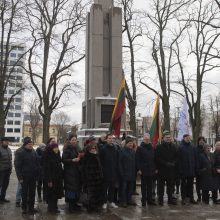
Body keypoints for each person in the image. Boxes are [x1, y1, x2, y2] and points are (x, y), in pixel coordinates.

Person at [14, 138, 40, 214]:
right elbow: (17, 166)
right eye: (29, 144)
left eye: (31, 144)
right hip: (24, 177)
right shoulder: (20, 153)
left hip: (33, 177)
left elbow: (37, 163)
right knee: (24, 193)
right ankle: (24, 208)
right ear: (25, 145)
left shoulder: (33, 152)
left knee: (32, 193)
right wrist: (20, 178)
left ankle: (31, 207)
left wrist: (38, 175)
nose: (30, 145)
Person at [155, 131, 178, 206]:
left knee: (170, 186)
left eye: (169, 137)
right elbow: (157, 158)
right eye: (166, 137)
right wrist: (165, 163)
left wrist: (174, 163)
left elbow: (176, 157)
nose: (168, 139)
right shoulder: (159, 147)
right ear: (163, 138)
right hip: (162, 169)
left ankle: (170, 200)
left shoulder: (174, 147)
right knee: (160, 186)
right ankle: (160, 200)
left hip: (171, 170)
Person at [82, 136, 104, 212]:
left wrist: (101, 176)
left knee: (97, 193)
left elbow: (100, 167)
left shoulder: (97, 156)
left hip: (97, 178)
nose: (94, 150)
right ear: (89, 149)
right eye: (92, 148)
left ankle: (96, 207)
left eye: (95, 148)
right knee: (91, 194)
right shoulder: (87, 156)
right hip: (90, 179)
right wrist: (87, 178)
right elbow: (84, 168)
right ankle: (91, 207)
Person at [62, 134, 82, 213]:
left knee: (76, 189)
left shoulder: (77, 148)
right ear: (70, 140)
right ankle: (71, 207)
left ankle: (75, 204)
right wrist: (72, 160)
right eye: (73, 140)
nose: (74, 141)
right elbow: (64, 160)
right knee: (71, 189)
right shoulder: (67, 149)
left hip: (76, 172)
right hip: (69, 172)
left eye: (75, 140)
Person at [136, 133, 156, 207]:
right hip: (143, 170)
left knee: (150, 186)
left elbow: (154, 159)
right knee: (144, 187)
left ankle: (150, 200)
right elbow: (137, 159)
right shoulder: (140, 148)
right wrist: (139, 169)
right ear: (143, 139)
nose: (147, 140)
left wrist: (155, 168)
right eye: (146, 139)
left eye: (148, 139)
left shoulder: (152, 147)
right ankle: (144, 200)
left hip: (151, 170)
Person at [99, 134, 119, 209]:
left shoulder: (115, 148)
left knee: (112, 188)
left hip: (113, 172)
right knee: (105, 188)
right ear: (106, 139)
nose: (111, 140)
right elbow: (100, 161)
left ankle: (111, 201)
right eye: (109, 138)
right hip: (106, 172)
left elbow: (116, 160)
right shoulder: (103, 149)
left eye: (112, 138)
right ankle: (104, 202)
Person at [44, 143, 63, 213]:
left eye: (57, 147)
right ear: (51, 149)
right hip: (51, 179)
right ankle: (51, 208)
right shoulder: (48, 157)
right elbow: (47, 170)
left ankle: (55, 207)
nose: (56, 149)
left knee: (56, 194)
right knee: (51, 194)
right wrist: (49, 180)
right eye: (54, 148)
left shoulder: (57, 156)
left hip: (57, 179)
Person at [179, 134, 197, 205]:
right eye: (187, 138)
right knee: (183, 185)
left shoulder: (192, 147)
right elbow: (179, 160)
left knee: (191, 185)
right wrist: (180, 170)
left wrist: (195, 168)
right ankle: (183, 198)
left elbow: (195, 158)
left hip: (191, 169)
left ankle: (191, 198)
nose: (188, 139)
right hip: (184, 170)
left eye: (189, 138)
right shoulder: (181, 147)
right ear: (184, 138)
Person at [118, 137, 136, 207]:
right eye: (129, 143)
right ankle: (123, 201)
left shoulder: (133, 151)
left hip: (131, 173)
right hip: (124, 173)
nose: (131, 144)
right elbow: (119, 163)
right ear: (126, 144)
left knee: (130, 188)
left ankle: (129, 200)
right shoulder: (122, 151)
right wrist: (121, 172)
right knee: (123, 188)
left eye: (131, 143)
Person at [0, 137, 12, 204]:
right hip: (1, 170)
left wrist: (10, 168)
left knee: (5, 185)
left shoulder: (9, 149)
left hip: (7, 170)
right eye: (5, 141)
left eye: (7, 141)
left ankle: (2, 197)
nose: (7, 142)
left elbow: (10, 160)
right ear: (2, 142)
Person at [196, 136, 206, 202]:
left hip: (205, 169)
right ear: (198, 141)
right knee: (198, 184)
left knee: (205, 183)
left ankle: (204, 196)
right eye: (200, 140)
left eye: (203, 140)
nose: (201, 141)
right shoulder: (195, 149)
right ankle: (199, 197)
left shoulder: (206, 149)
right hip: (198, 169)